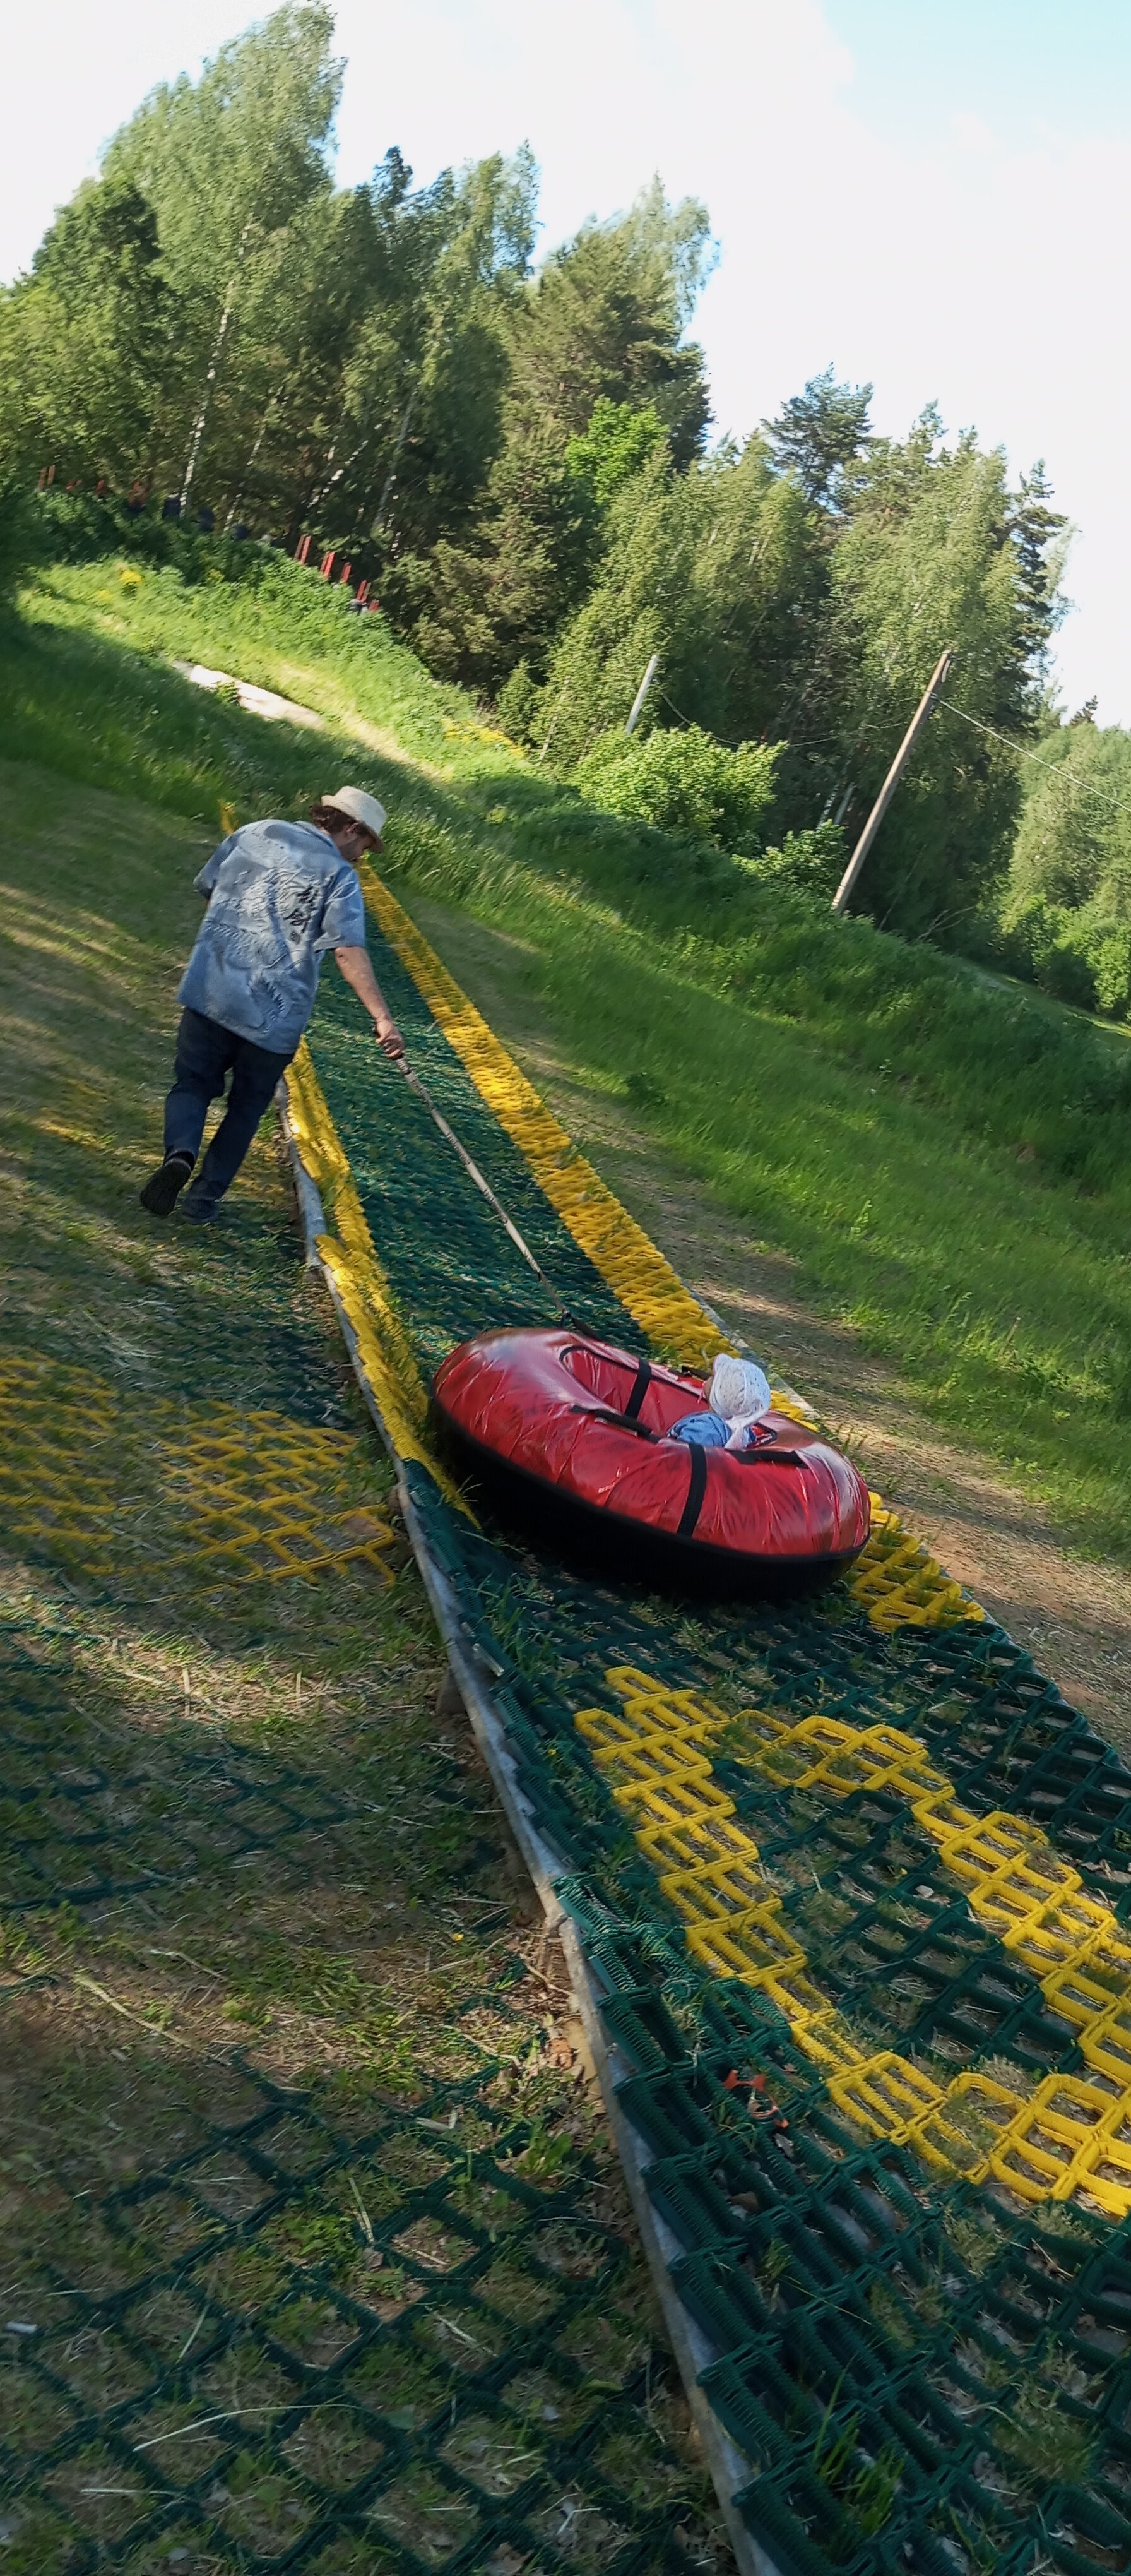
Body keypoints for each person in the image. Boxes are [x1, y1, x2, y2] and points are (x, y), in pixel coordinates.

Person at [139, 786, 405, 1224]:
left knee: (191, 1084)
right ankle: (203, 1202)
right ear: (351, 830)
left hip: (212, 990)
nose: (362, 856)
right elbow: (347, 951)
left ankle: (180, 1154)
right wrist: (382, 1018)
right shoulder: (339, 877)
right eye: (364, 845)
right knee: (245, 1109)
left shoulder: (254, 833)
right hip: (274, 1016)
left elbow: (210, 887)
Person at [670, 1353, 773, 1450]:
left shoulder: (707, 1429)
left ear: (719, 1393)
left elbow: (681, 1457)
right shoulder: (744, 1432)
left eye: (714, 1377)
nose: (709, 1377)